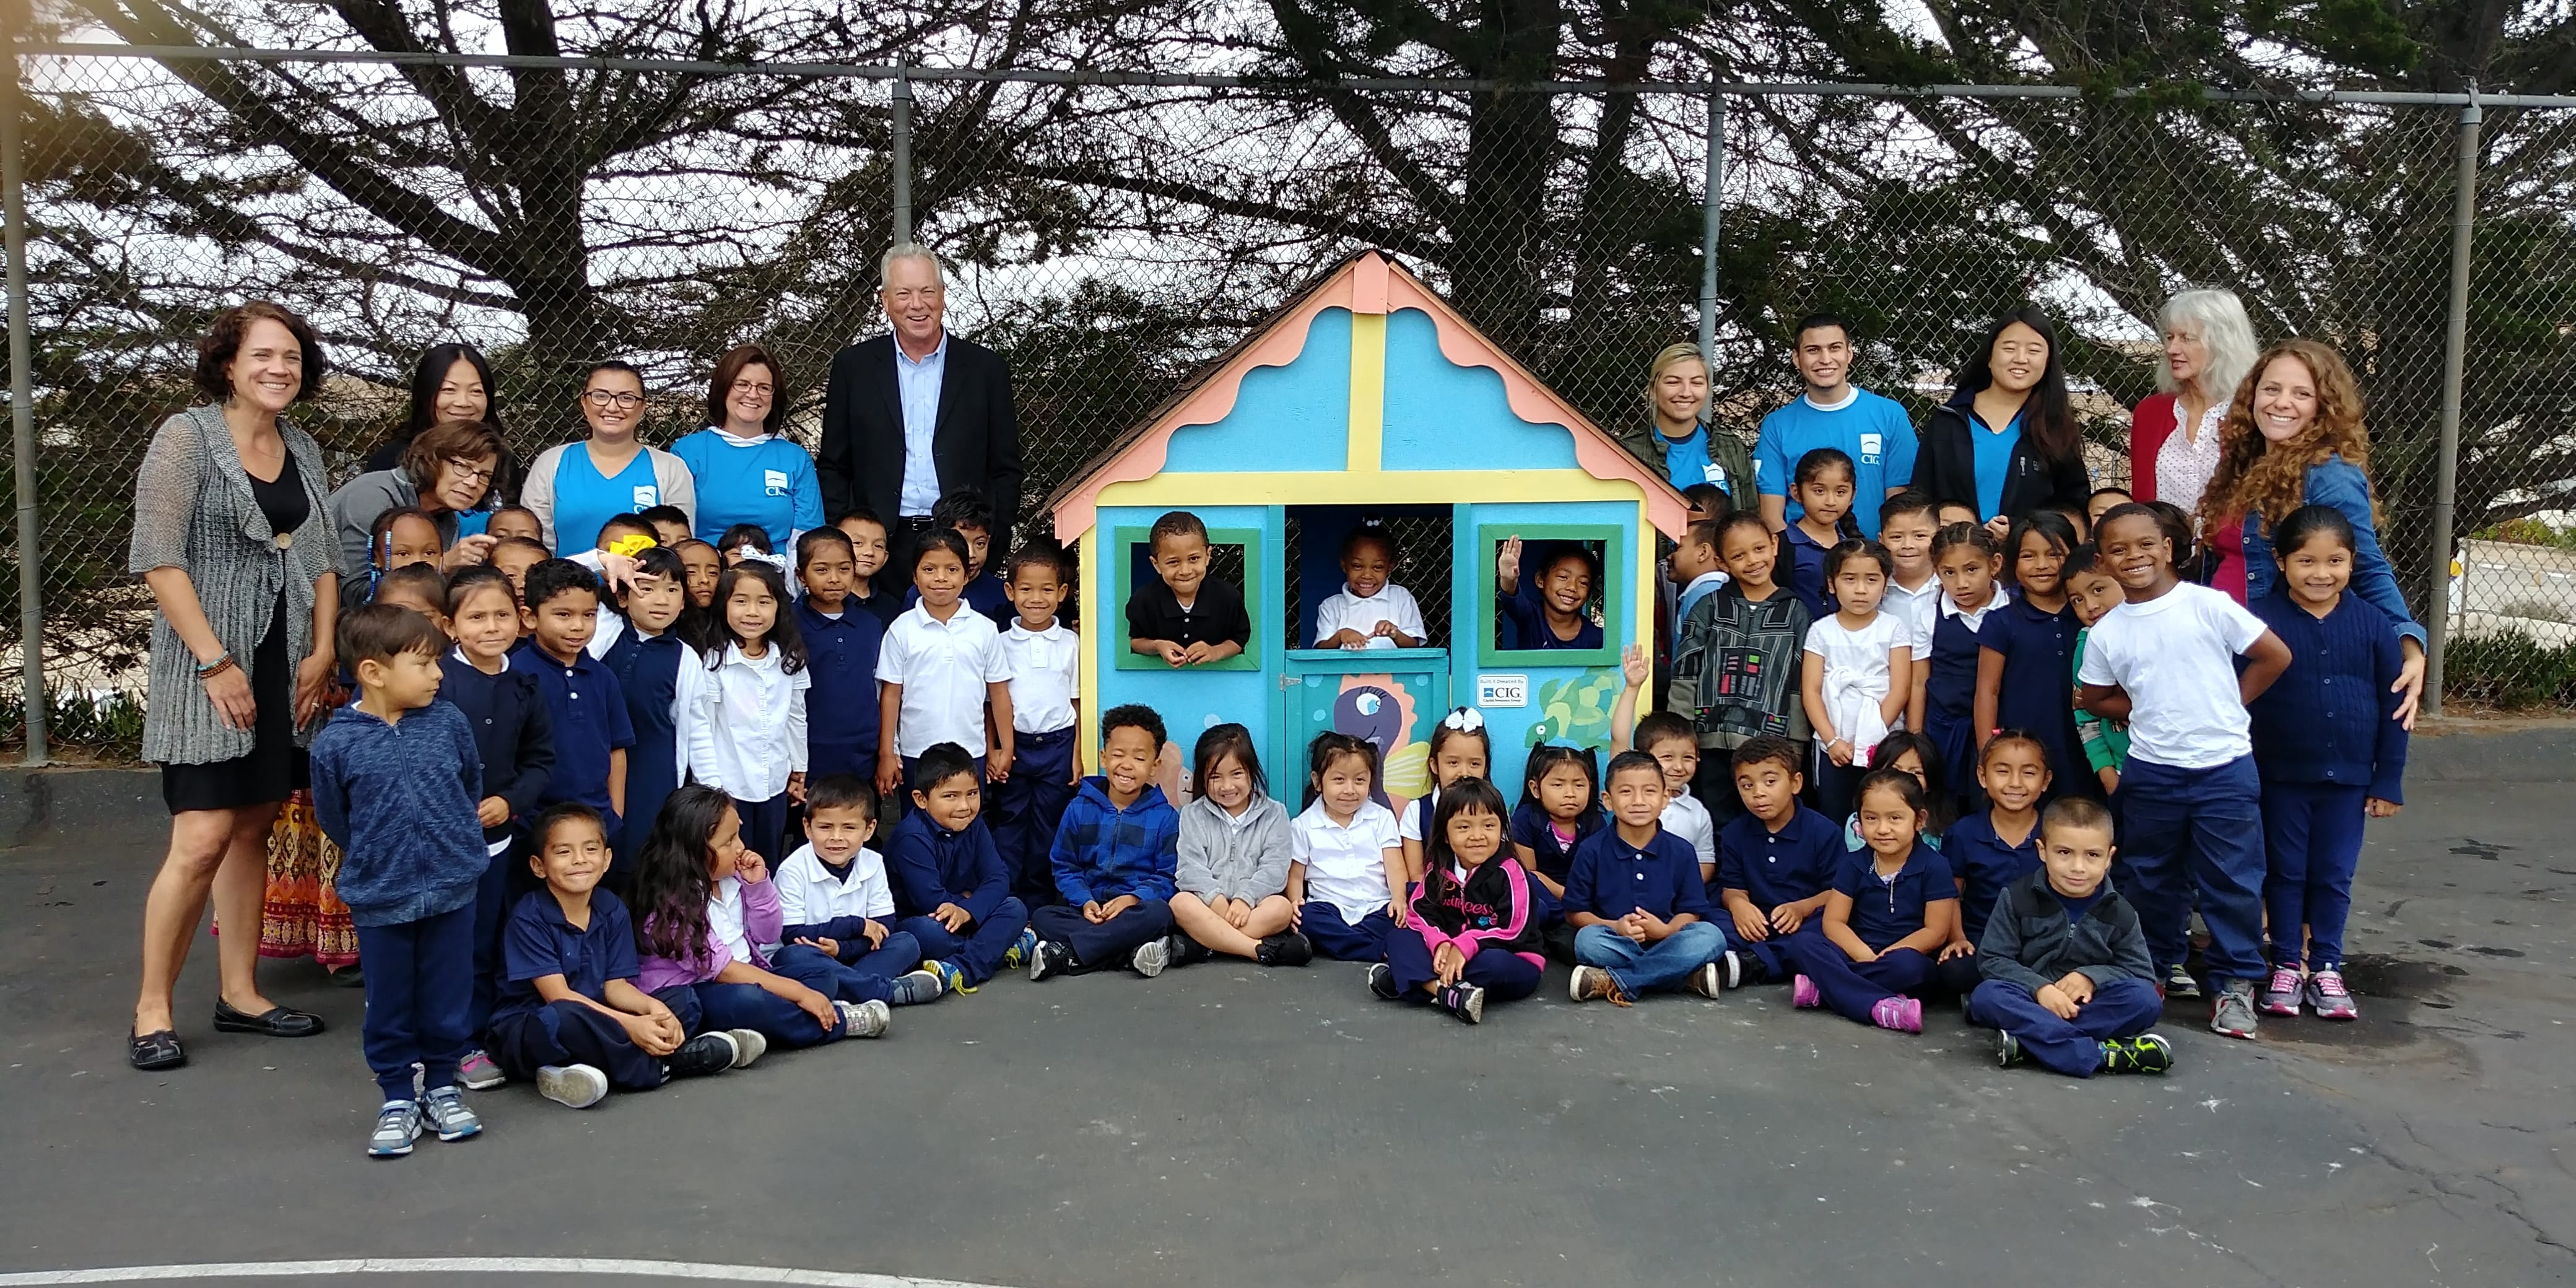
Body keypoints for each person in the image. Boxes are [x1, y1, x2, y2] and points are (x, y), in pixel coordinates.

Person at [126, 300, 339, 1072]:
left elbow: (321, 558)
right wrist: (216, 662)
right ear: (227, 363)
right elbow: (159, 558)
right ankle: (152, 1007)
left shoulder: (301, 446)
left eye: (292, 357)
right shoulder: (185, 438)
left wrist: (323, 650)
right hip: (208, 665)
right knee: (201, 836)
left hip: (285, 663)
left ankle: (241, 993)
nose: (279, 369)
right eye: (263, 355)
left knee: (254, 823)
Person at [2079, 503, 2292, 1037]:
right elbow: (2094, 697)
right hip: (2152, 772)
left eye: (2145, 544)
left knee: (2232, 880)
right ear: (2102, 561)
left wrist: (2230, 703)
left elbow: (2275, 656)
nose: (2134, 557)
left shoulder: (2208, 605)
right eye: (2118, 550)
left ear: (2168, 548)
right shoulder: (2108, 632)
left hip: (2224, 769)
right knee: (2150, 877)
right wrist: (2147, 708)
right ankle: (2149, 970)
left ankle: (2235, 983)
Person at [308, 603, 489, 1156]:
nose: (438, 674)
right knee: (389, 1002)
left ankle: (441, 1087)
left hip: (454, 888)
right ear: (373, 672)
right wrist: (380, 855)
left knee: (447, 995)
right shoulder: (335, 744)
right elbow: (335, 818)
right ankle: (397, 1097)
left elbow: (470, 785)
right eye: (424, 664)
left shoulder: (448, 723)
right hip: (381, 895)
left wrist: (452, 844)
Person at [2196, 339, 2428, 724]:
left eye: (2301, 394)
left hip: (2277, 653)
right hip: (2223, 644)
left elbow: (2366, 565)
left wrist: (2408, 642)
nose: (2282, 402)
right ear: (2252, 395)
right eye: (2271, 389)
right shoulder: (2242, 467)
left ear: (2323, 406)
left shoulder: (2329, 475)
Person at [2247, 505, 2409, 1020]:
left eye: (2335, 561)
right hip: (2279, 778)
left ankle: (2327, 967)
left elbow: (2395, 705)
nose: (2321, 574)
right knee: (2285, 873)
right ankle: (2286, 965)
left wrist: (2387, 780)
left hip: (2349, 782)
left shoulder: (2373, 624)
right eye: (2307, 561)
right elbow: (2235, 700)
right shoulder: (2257, 622)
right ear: (2281, 561)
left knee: (2334, 874)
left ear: (2352, 562)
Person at [486, 804, 751, 1110]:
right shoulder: (529, 918)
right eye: (564, 852)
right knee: (562, 1018)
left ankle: (582, 1071)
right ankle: (664, 1065)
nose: (579, 860)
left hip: (601, 1015)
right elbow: (558, 996)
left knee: (684, 1001)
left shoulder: (611, 908)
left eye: (590, 849)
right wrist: (631, 1027)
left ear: (607, 859)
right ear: (538, 866)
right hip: (537, 1023)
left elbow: (616, 987)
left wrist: (655, 1010)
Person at [633, 786, 886, 1051]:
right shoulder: (672, 903)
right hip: (701, 991)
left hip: (755, 974)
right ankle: (838, 1022)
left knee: (822, 976)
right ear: (693, 851)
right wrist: (800, 994)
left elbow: (768, 935)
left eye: (738, 836)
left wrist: (759, 887)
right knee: (750, 1000)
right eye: (729, 842)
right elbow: (724, 970)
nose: (741, 847)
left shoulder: (735, 879)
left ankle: (762, 1027)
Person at [818, 243, 1023, 568]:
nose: (917, 304)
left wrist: (993, 533)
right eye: (904, 294)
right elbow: (834, 465)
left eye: (927, 291)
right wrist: (847, 535)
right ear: (885, 301)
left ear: (942, 296)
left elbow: (1005, 468)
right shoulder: (853, 368)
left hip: (961, 544)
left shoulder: (986, 369)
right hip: (878, 548)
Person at [438, 565, 557, 1091]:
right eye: (477, 617)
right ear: (450, 626)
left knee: (483, 940)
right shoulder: (435, 682)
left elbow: (540, 760)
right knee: (444, 944)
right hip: (439, 843)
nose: (491, 627)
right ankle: (438, 1042)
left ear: (521, 619)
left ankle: (476, 1038)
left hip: (496, 841)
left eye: (502, 615)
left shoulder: (525, 684)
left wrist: (510, 802)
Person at [1967, 797, 2174, 1076]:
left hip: (2089, 1005)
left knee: (2145, 1000)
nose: (2078, 867)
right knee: (1987, 996)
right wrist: (2041, 989)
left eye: (2092, 855)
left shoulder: (2120, 912)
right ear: (2042, 851)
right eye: (2064, 852)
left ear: (2109, 858)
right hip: (2031, 999)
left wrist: (2091, 977)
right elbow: (1993, 959)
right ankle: (2099, 1055)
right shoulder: (2016, 898)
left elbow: (2140, 973)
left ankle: (2033, 1043)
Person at [1784, 768, 1957, 1033]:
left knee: (1911, 969)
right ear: (1860, 821)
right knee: (1803, 943)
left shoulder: (1935, 867)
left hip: (1902, 958)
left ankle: (1827, 989)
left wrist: (1887, 955)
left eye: (1895, 818)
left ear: (1920, 820)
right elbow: (1834, 922)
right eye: (1871, 818)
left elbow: (1935, 932)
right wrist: (1863, 954)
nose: (1883, 829)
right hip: (1856, 950)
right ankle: (1881, 1006)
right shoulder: (1854, 863)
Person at [1667, 512, 1812, 820]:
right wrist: (1681, 737)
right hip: (1711, 742)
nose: (1753, 561)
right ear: (1722, 563)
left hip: (1770, 745)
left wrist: (1796, 745)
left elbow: (1800, 681)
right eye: (1739, 555)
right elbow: (1686, 672)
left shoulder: (1795, 613)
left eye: (1759, 549)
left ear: (1774, 545)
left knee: (1764, 820)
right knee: (1716, 820)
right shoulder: (1709, 607)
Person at [1028, 705, 1184, 980]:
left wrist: (1133, 898)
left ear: (1155, 766)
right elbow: (1064, 865)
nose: (1127, 765)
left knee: (1159, 914)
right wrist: (1084, 900)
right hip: (1089, 910)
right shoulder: (1079, 808)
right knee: (1043, 917)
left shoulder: (1165, 817)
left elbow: (1168, 876)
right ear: (1103, 757)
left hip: (1135, 910)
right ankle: (1130, 952)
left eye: (1139, 758)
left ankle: (1070, 956)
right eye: (1118, 755)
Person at [1369, 778, 1541, 1024]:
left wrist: (1465, 946)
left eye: (1489, 825)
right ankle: (1447, 994)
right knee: (1398, 937)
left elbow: (1515, 929)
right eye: (1464, 827)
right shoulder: (1439, 869)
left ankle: (1413, 982)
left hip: (1510, 957)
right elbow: (1418, 913)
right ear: (1446, 836)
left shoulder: (1510, 872)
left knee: (1493, 964)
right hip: (1448, 952)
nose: (1478, 836)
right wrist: (1440, 943)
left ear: (1502, 830)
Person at [1564, 751, 1726, 1005]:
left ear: (1665, 798)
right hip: (1617, 942)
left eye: (1649, 791)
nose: (1638, 801)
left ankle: (1616, 980)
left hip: (1671, 939)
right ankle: (1682, 977)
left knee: (1711, 936)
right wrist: (1617, 927)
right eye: (1626, 792)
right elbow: (1575, 913)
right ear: (1608, 800)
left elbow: (1691, 912)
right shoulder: (1592, 850)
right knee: (1587, 941)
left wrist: (1666, 930)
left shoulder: (1681, 850)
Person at [772, 775, 947, 1008]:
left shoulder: (873, 862)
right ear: (807, 828)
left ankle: (843, 994)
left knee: (906, 943)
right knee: (792, 956)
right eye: (825, 827)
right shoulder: (792, 870)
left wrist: (842, 949)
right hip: (814, 957)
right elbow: (791, 934)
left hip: (856, 954)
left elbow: (884, 925)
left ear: (869, 829)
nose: (836, 837)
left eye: (849, 828)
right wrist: (857, 925)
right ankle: (885, 992)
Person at [1913, 305, 2092, 531]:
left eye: (2034, 351)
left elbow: (2074, 506)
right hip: (1957, 550)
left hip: (2030, 551)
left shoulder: (2057, 428)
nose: (2021, 359)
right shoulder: (1948, 420)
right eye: (2009, 348)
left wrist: (2020, 530)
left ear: (2048, 362)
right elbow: (1921, 498)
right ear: (1989, 357)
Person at [883, 743, 1036, 992]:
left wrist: (968, 909)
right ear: (921, 800)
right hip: (922, 920)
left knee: (1015, 907)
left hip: (963, 915)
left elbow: (998, 877)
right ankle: (998, 949)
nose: (964, 806)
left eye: (972, 793)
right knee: (928, 934)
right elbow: (930, 901)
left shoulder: (973, 824)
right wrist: (970, 906)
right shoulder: (911, 837)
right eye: (950, 796)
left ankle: (961, 969)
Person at [875, 529, 1013, 799]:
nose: (941, 578)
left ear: (966, 576)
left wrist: (1005, 748)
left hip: (971, 750)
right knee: (919, 819)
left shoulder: (985, 629)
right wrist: (887, 753)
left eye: (952, 569)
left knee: (966, 816)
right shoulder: (901, 630)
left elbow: (998, 693)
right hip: (917, 752)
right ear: (915, 576)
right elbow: (891, 695)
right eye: (929, 569)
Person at [688, 562, 809, 864]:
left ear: (779, 606)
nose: (753, 612)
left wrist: (799, 768)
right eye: (741, 601)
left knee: (766, 860)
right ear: (724, 605)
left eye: (764, 602)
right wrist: (712, 788)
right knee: (727, 861)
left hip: (775, 783)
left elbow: (796, 716)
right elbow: (703, 727)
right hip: (728, 785)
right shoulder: (714, 661)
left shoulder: (789, 658)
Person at [1754, 313, 1917, 537]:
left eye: (1835, 348)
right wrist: (1798, 554)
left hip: (1874, 554)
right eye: (1813, 350)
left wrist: (1875, 554)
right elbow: (1772, 517)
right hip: (1805, 557)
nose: (1825, 359)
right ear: (1797, 359)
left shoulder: (1890, 415)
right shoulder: (1777, 425)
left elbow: (1900, 507)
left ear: (1849, 354)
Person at [597, 547, 703, 886]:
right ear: (623, 597)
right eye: (647, 588)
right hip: (596, 766)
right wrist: (604, 561)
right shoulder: (602, 630)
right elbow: (557, 575)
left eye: (672, 590)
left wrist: (713, 793)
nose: (661, 599)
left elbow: (698, 730)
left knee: (641, 863)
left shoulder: (686, 658)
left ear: (684, 603)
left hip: (653, 774)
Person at [521, 360, 696, 555]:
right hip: (566, 576)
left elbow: (679, 550)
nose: (612, 407)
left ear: (643, 406)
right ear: (584, 403)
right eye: (601, 396)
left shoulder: (671, 469)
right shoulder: (551, 464)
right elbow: (534, 549)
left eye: (626, 398)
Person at [515, 560, 633, 845]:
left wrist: (615, 813)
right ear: (530, 617)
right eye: (563, 615)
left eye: (589, 615)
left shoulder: (603, 677)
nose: (578, 626)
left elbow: (616, 749)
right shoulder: (515, 674)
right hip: (534, 824)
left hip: (597, 821)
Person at [1169, 724, 1307, 965]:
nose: (1227, 786)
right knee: (1180, 904)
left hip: (1254, 906)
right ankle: (1257, 949)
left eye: (1236, 774)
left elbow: (1275, 868)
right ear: (1202, 778)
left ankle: (1204, 946)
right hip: (1209, 906)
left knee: (1282, 908)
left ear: (1252, 771)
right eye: (1215, 777)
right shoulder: (1193, 815)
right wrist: (1217, 901)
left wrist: (1246, 898)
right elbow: (1190, 868)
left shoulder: (1275, 813)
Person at [990, 541, 1081, 907]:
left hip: (1059, 746)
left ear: (1062, 592)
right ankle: (1005, 900)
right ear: (1010, 591)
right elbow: (991, 703)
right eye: (1026, 589)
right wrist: (995, 748)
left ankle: (1040, 904)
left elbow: (1077, 701)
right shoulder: (999, 643)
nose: (1036, 599)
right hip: (1015, 746)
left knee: (1049, 824)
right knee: (1009, 822)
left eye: (1047, 589)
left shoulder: (1072, 643)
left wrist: (1077, 754)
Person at [1712, 734, 1841, 988]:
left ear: (1795, 783)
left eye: (1770, 782)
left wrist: (1801, 909)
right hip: (1756, 922)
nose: (1758, 793)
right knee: (1711, 921)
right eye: (1747, 785)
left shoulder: (1824, 832)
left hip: (1803, 922)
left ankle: (1754, 964)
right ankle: (1764, 961)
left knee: (1823, 932)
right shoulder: (1734, 833)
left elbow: (1838, 893)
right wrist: (1739, 905)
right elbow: (1732, 887)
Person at [1973, 511, 2086, 799]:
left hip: (2087, 747)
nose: (2042, 565)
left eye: (2054, 554)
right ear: (2012, 562)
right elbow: (1987, 691)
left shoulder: (2089, 616)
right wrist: (1988, 753)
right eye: (2028, 556)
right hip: (2023, 751)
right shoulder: (2001, 622)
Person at [1800, 540, 1912, 821]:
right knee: (1836, 813)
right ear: (1832, 584)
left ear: (1885, 585)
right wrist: (1832, 740)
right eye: (1850, 579)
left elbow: (1900, 689)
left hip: (1882, 743)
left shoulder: (1893, 628)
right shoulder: (1821, 631)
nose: (1861, 589)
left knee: (1883, 809)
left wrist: (1872, 739)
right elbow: (1811, 691)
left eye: (1872, 580)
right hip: (1834, 745)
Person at [670, 344, 823, 549]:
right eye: (742, 384)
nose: (753, 394)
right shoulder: (687, 452)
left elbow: (808, 537)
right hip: (706, 565)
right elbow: (674, 532)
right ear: (724, 388)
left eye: (764, 387)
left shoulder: (795, 458)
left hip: (777, 566)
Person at [1935, 731, 2051, 998]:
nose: (2015, 783)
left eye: (2028, 773)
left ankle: (2002, 993)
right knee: (1955, 970)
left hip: (2042, 941)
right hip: (1983, 938)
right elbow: (1950, 895)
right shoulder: (1964, 833)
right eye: (2003, 771)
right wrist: (1958, 938)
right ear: (1982, 776)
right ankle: (2026, 990)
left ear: (2046, 781)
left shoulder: (2055, 831)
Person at [2130, 289, 2258, 516]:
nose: (2171, 349)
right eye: (2170, 337)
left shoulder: (2253, 410)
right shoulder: (2150, 413)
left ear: (2222, 344)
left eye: (2186, 338)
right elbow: (2142, 502)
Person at [330, 419, 505, 582]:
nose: (473, 483)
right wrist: (442, 566)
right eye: (462, 467)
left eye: (484, 475)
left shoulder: (448, 518)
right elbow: (355, 590)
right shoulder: (372, 495)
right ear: (432, 459)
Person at [1288, 733, 1405, 962]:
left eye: (1359, 781)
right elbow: (1295, 875)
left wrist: (1399, 899)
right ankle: (1377, 950)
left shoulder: (1382, 818)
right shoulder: (1303, 825)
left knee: (1402, 916)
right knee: (1307, 918)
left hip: (1377, 906)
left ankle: (1348, 943)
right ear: (1317, 781)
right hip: (1329, 909)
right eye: (1339, 780)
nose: (1350, 790)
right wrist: (1294, 902)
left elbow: (1395, 867)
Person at [792, 528, 886, 794]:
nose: (834, 579)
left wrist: (886, 751)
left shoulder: (870, 624)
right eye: (822, 570)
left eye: (844, 569)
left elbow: (880, 689)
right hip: (807, 754)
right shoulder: (788, 624)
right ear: (801, 575)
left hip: (863, 754)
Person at [1921, 523, 2007, 805]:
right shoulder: (1928, 615)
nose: (1961, 583)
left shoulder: (2013, 610)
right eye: (1949, 573)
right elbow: (1919, 681)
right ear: (1937, 572)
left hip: (2001, 727)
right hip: (1944, 730)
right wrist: (1916, 738)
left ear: (1995, 564)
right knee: (1945, 806)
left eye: (1971, 570)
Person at [1617, 342, 1756, 505]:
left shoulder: (1731, 448)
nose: (1685, 393)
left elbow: (1750, 514)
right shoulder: (1628, 452)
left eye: (1697, 383)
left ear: (1707, 389)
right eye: (1673, 382)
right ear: (1653, 390)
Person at [1508, 744, 1601, 961]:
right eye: (1558, 785)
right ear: (1535, 789)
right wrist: (1568, 897)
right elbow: (1529, 872)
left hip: (1582, 899)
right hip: (1547, 895)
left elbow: (1599, 872)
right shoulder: (1526, 819)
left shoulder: (1594, 822)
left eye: (1579, 785)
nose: (1570, 793)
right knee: (1530, 894)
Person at [365, 342, 507, 478]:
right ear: (426, 394)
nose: (463, 402)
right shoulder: (391, 462)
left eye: (476, 391)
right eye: (449, 390)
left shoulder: (501, 460)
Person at [1128, 510, 1251, 664]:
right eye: (1173, 562)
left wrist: (1214, 652)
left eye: (1194, 559)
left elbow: (1239, 639)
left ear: (1208, 556)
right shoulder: (1145, 599)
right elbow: (1136, 640)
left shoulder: (1227, 596)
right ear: (1156, 564)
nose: (1185, 571)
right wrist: (1157, 646)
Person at [2063, 546, 2131, 795]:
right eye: (2078, 600)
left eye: (2098, 590)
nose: (2091, 606)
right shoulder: (2086, 646)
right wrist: (2107, 774)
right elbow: (2085, 718)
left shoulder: (2158, 629)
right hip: (2123, 771)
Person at [1398, 708, 1492, 882]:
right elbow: (1416, 875)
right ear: (1435, 765)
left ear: (1485, 768)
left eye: (1474, 764)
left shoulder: (1494, 811)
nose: (1464, 773)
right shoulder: (1417, 812)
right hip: (1433, 895)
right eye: (1453, 763)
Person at [1876, 492, 1943, 727]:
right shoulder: (1874, 593)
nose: (1908, 545)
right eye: (1896, 537)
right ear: (1881, 540)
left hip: (1943, 706)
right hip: (1885, 707)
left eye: (1920, 536)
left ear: (1937, 536)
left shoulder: (1951, 589)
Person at [1312, 520, 1427, 649]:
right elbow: (1321, 649)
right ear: (1344, 565)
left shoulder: (1401, 598)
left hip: (1389, 663)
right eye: (1357, 566)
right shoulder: (1332, 606)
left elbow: (1413, 645)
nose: (1367, 575)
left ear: (1390, 567)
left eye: (1378, 567)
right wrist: (1340, 635)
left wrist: (1395, 634)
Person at [1780, 448, 1857, 620]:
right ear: (1796, 492)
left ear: (1853, 495)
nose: (1830, 501)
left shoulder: (1856, 547)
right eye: (1819, 491)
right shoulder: (1781, 546)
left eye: (1840, 492)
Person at [1494, 536, 1603, 650]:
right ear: (1540, 580)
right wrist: (1508, 579)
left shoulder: (1595, 637)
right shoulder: (1531, 615)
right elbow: (1512, 598)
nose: (1572, 587)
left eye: (1583, 583)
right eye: (1563, 577)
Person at [833, 508, 903, 625]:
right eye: (858, 543)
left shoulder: (891, 606)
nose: (869, 552)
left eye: (878, 546)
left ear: (885, 557)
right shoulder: (825, 601)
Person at [1666, 519, 1730, 626]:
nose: (1669, 557)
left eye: (1677, 548)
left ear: (1703, 553)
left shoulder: (1703, 594)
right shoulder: (1722, 591)